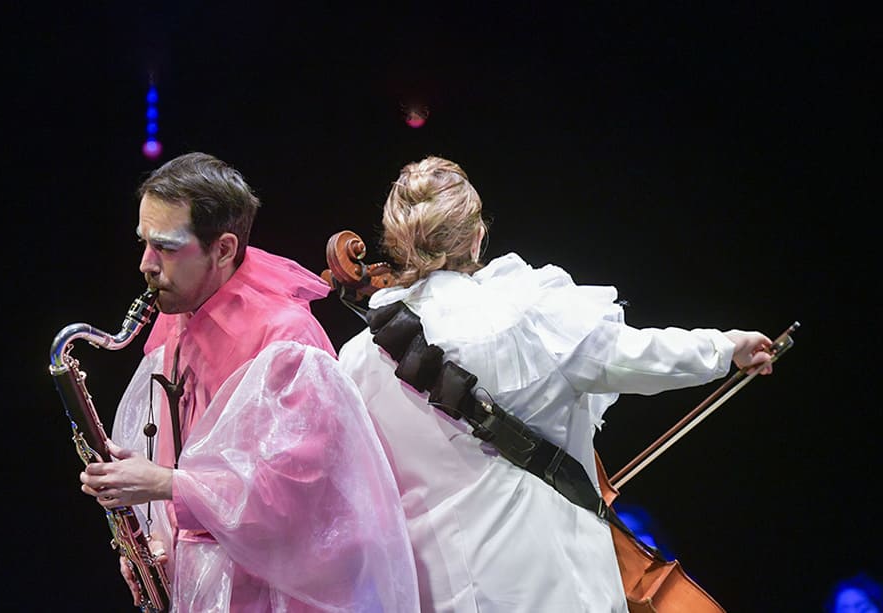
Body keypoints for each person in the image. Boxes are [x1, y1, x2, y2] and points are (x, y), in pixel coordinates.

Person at [336, 155, 776, 612]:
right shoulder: (521, 311)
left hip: (436, 596)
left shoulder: (358, 359)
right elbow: (637, 356)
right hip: (549, 584)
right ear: (477, 235)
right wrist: (725, 347)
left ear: (399, 242)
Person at [78, 152, 418, 612]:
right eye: (144, 243)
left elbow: (295, 497)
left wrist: (166, 484)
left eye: (167, 247)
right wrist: (153, 541)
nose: (146, 264)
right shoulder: (178, 320)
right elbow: (181, 464)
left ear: (223, 249)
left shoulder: (287, 341)